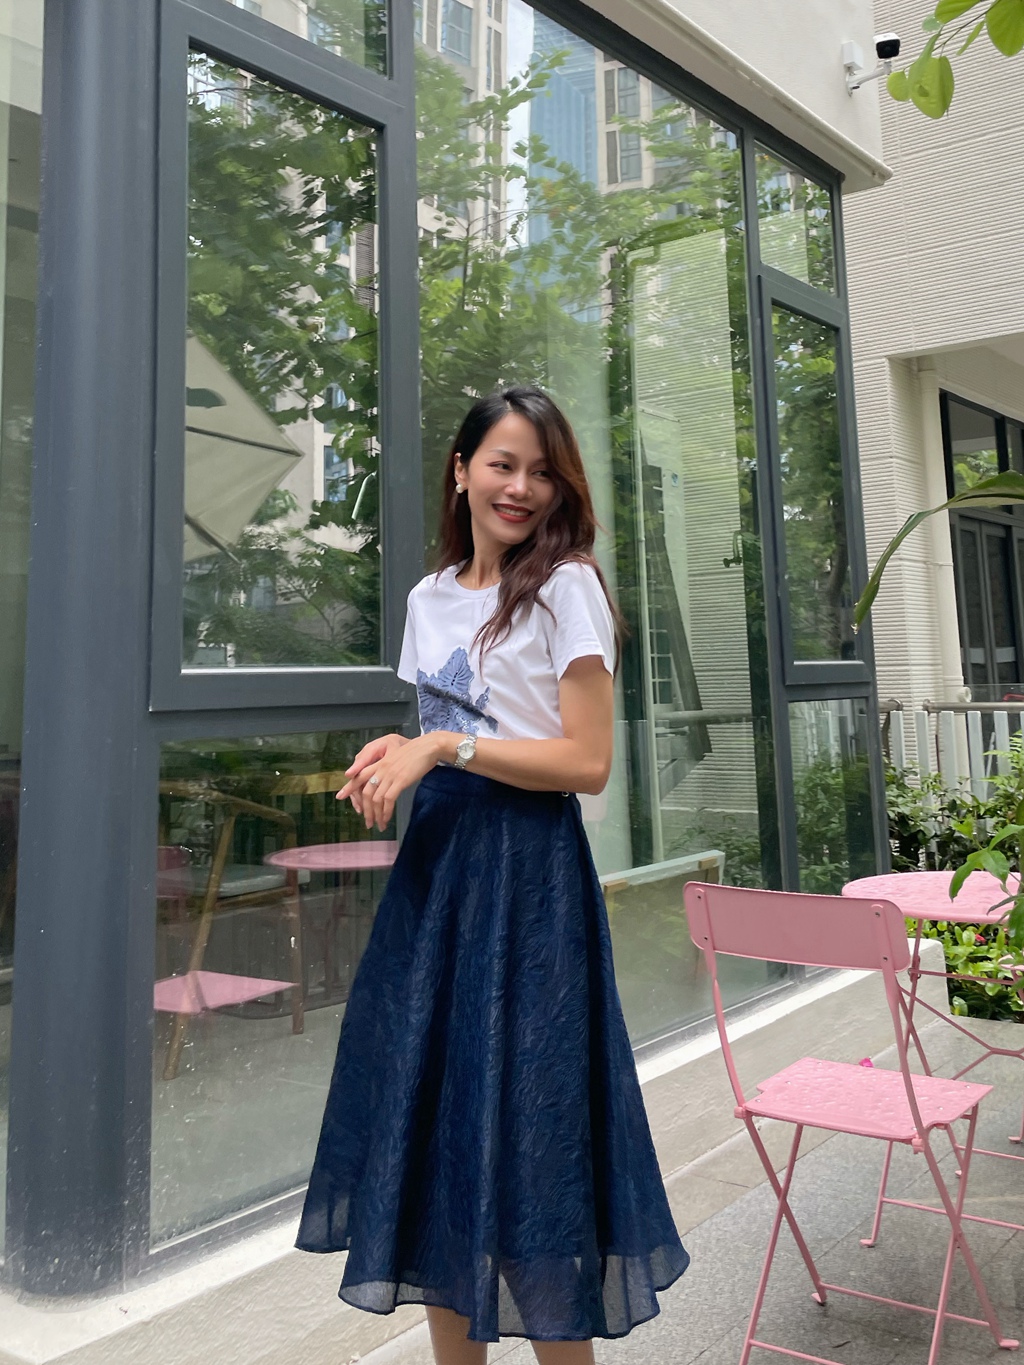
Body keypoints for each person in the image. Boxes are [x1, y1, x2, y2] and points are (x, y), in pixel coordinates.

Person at [296, 386, 689, 1363]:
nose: (521, 487)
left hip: (530, 878)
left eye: (541, 470)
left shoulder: (567, 586)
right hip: (437, 878)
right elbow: (450, 719)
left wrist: (441, 749)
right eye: (503, 464)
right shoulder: (429, 597)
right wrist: (404, 746)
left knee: (534, 1148)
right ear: (461, 470)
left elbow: (584, 762)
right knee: (438, 1137)